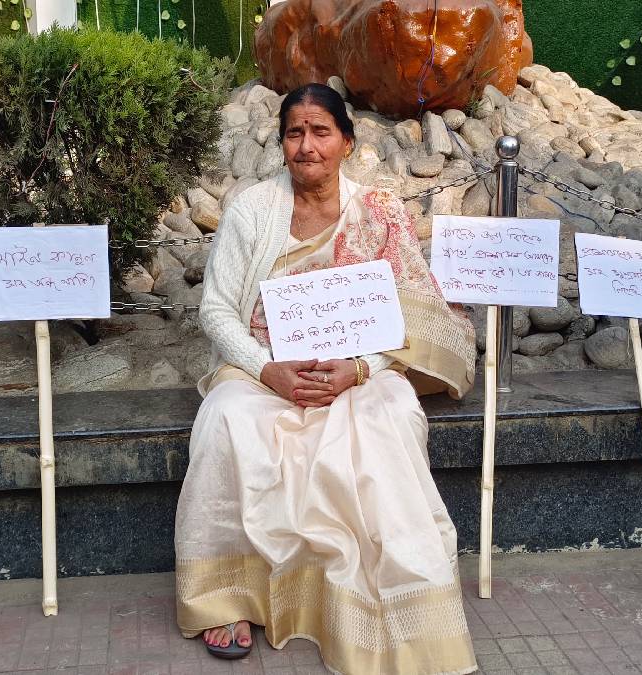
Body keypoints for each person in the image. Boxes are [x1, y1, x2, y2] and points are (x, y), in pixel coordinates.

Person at [174, 82, 480, 675]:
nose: (307, 146)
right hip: (264, 365)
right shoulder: (252, 209)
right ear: (282, 143)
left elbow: (415, 317)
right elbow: (216, 309)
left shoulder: (379, 212)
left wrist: (359, 370)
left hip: (358, 369)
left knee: (387, 417)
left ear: (346, 140)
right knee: (226, 420)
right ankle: (228, 596)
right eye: (295, 133)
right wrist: (270, 371)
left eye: (320, 132)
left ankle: (382, 603)